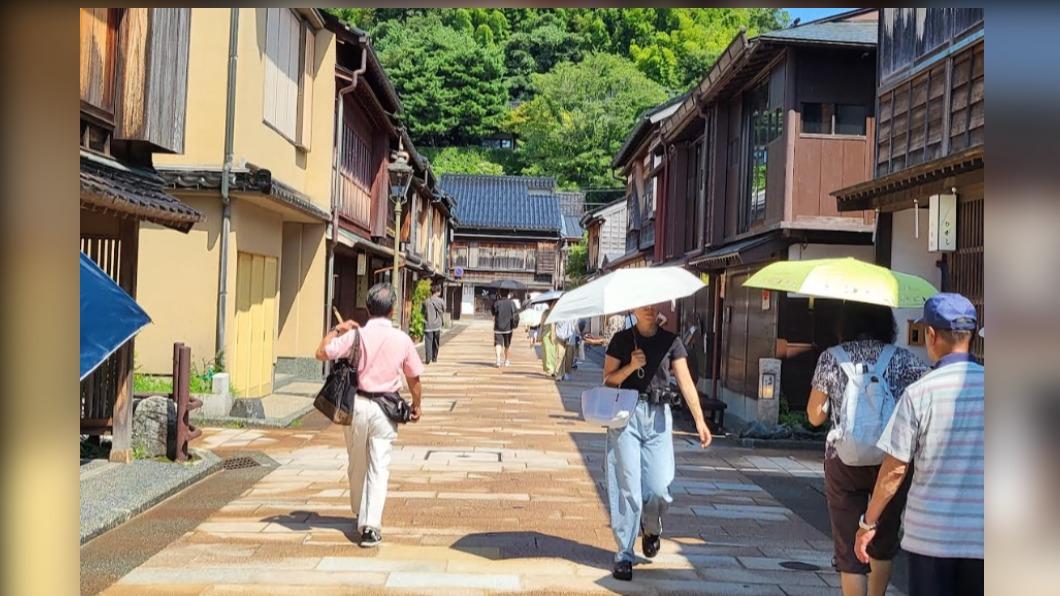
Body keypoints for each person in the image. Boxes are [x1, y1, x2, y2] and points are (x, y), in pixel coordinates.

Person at [854, 293, 984, 596]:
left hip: (931, 537)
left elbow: (894, 469)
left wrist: (868, 522)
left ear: (931, 335)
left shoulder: (920, 392)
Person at [806, 301, 929, 596]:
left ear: (845, 324)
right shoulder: (904, 359)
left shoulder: (830, 359)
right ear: (888, 323)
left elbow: (814, 417)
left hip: (844, 460)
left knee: (850, 551)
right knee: (883, 542)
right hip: (892, 459)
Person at [602, 302, 713, 581]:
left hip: (659, 417)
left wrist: (699, 419)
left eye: (653, 305)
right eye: (643, 306)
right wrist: (631, 366)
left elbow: (685, 381)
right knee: (628, 486)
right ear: (634, 309)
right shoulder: (622, 340)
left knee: (660, 487)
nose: (649, 309)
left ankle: (651, 526)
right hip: (626, 414)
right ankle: (624, 553)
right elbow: (608, 380)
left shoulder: (671, 341)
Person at [314, 283, 424, 548]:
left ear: (368, 308)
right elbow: (413, 378)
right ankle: (370, 525)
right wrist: (416, 404)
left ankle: (360, 513)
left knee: (357, 463)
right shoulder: (402, 339)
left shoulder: (356, 336)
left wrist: (337, 329)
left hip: (357, 405)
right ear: (393, 309)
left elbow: (320, 353)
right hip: (386, 409)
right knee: (379, 466)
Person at [491, 289, 518, 367]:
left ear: (500, 294)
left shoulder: (497, 303)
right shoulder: (511, 303)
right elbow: (515, 314)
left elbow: (493, 312)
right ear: (508, 294)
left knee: (498, 343)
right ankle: (506, 361)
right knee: (507, 345)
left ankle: (498, 360)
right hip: (508, 327)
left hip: (498, 327)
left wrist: (497, 299)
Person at [422, 285, 446, 365]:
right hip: (437, 325)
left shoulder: (426, 301)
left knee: (428, 342)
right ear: (438, 292)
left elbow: (423, 311)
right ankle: (434, 358)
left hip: (428, 324)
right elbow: (444, 309)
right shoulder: (441, 301)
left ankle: (428, 358)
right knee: (436, 342)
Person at [539, 301, 560, 377]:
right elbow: (541, 324)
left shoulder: (557, 313)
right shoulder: (546, 312)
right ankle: (549, 369)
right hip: (546, 335)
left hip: (554, 335)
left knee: (554, 353)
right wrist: (540, 334)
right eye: (553, 304)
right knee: (547, 353)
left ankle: (554, 369)